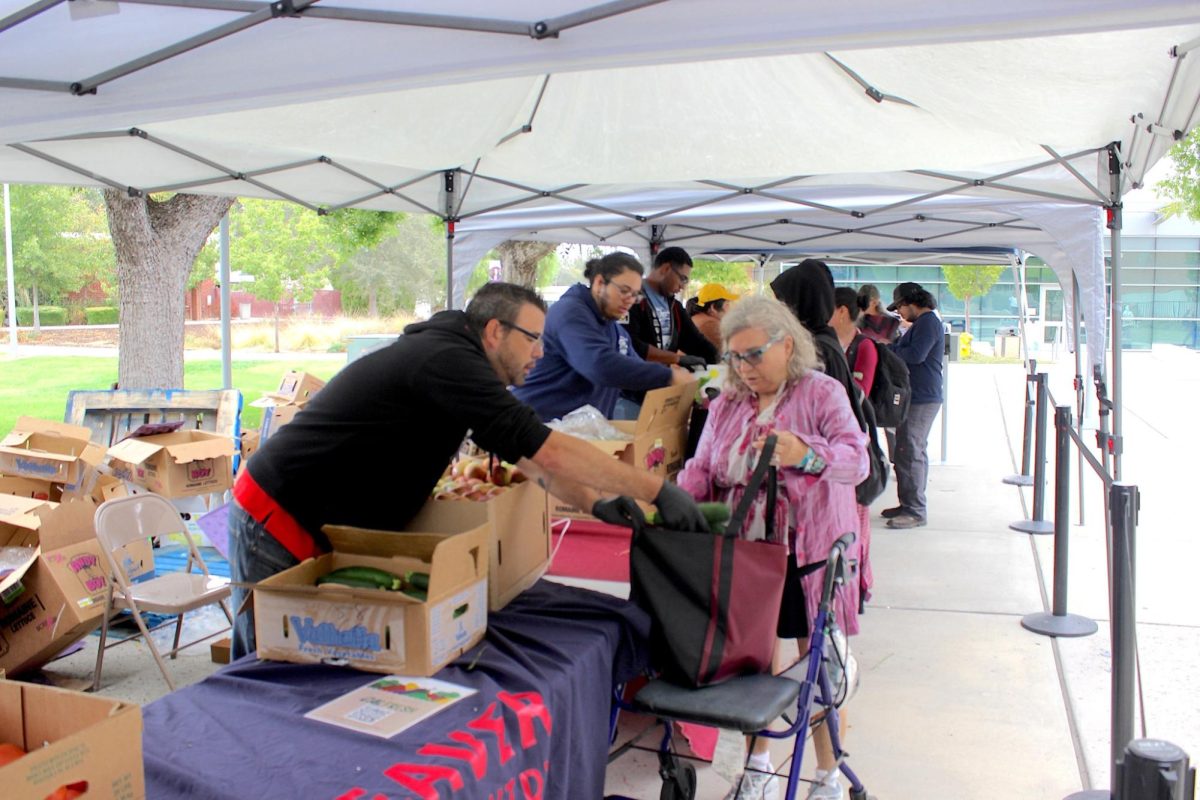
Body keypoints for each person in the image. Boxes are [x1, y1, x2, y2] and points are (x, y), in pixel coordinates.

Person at [228, 282, 708, 659]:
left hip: (312, 523)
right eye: (534, 339)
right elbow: (548, 448)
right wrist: (657, 491)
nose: (540, 353)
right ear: (495, 332)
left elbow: (532, 461)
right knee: (268, 670)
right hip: (277, 519)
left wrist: (596, 502)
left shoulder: (458, 360)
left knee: (300, 661)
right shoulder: (447, 360)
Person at [677, 295, 867, 800]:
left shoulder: (821, 393)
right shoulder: (727, 402)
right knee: (753, 665)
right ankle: (757, 768)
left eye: (754, 354)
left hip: (810, 556)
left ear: (787, 345)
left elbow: (857, 461)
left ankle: (827, 777)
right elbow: (701, 467)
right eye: (735, 357)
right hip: (748, 556)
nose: (743, 367)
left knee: (817, 669)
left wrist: (807, 455)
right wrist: (670, 502)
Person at [513, 253, 693, 421]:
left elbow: (636, 369)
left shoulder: (615, 329)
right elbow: (598, 364)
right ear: (599, 283)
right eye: (624, 290)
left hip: (579, 432)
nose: (629, 300)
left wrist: (681, 391)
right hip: (537, 427)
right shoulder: (569, 313)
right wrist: (668, 376)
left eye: (635, 295)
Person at [882, 283, 944, 529]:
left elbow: (916, 355)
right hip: (916, 395)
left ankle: (916, 510)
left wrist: (889, 350)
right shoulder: (923, 323)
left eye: (900, 308)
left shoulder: (928, 323)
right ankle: (907, 503)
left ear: (911, 302)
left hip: (923, 397)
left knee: (912, 450)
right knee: (906, 450)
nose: (900, 313)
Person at [623, 246, 720, 368]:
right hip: (632, 381)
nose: (682, 287)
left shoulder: (675, 308)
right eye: (683, 279)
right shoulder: (631, 299)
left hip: (662, 381)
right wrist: (676, 358)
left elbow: (695, 341)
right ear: (666, 269)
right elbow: (629, 344)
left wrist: (724, 358)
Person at [687, 282, 739, 350]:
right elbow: (734, 352)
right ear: (713, 307)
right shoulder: (709, 325)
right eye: (727, 305)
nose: (730, 309)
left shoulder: (697, 318)